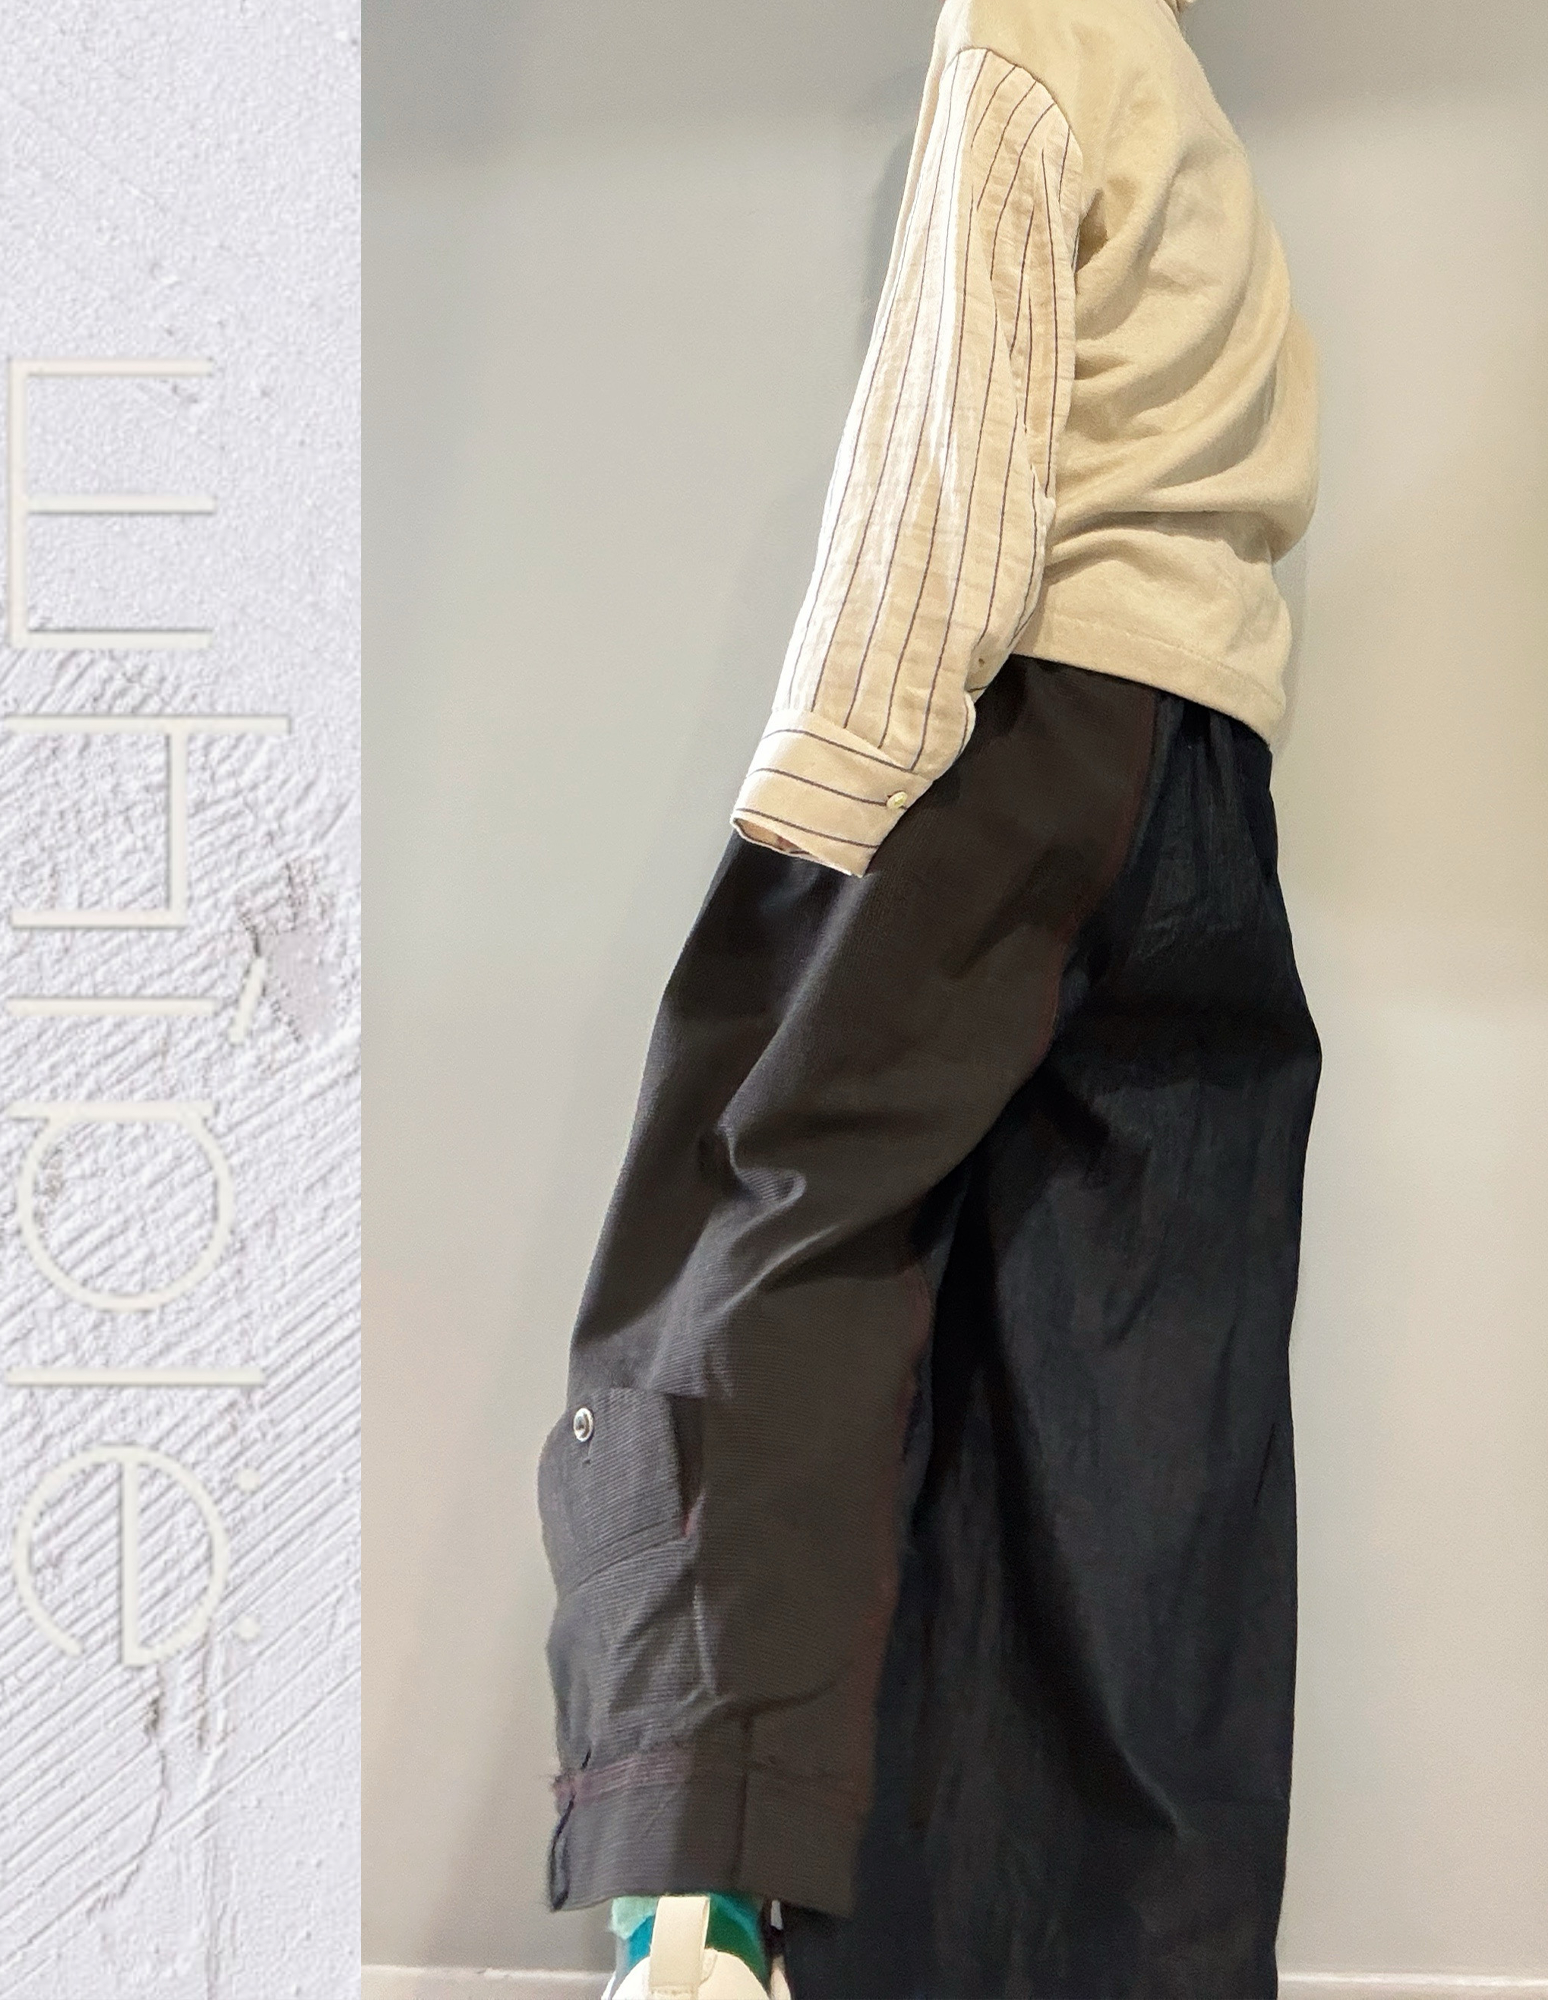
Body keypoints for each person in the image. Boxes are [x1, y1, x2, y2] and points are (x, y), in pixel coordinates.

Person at [536, 0, 1321, 1991]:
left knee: (754, 1212)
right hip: (1205, 773)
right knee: (1123, 1373)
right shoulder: (1186, 108)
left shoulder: (1027, 22)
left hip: (1025, 716)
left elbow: (954, 439)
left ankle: (698, 1907)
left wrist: (821, 810)